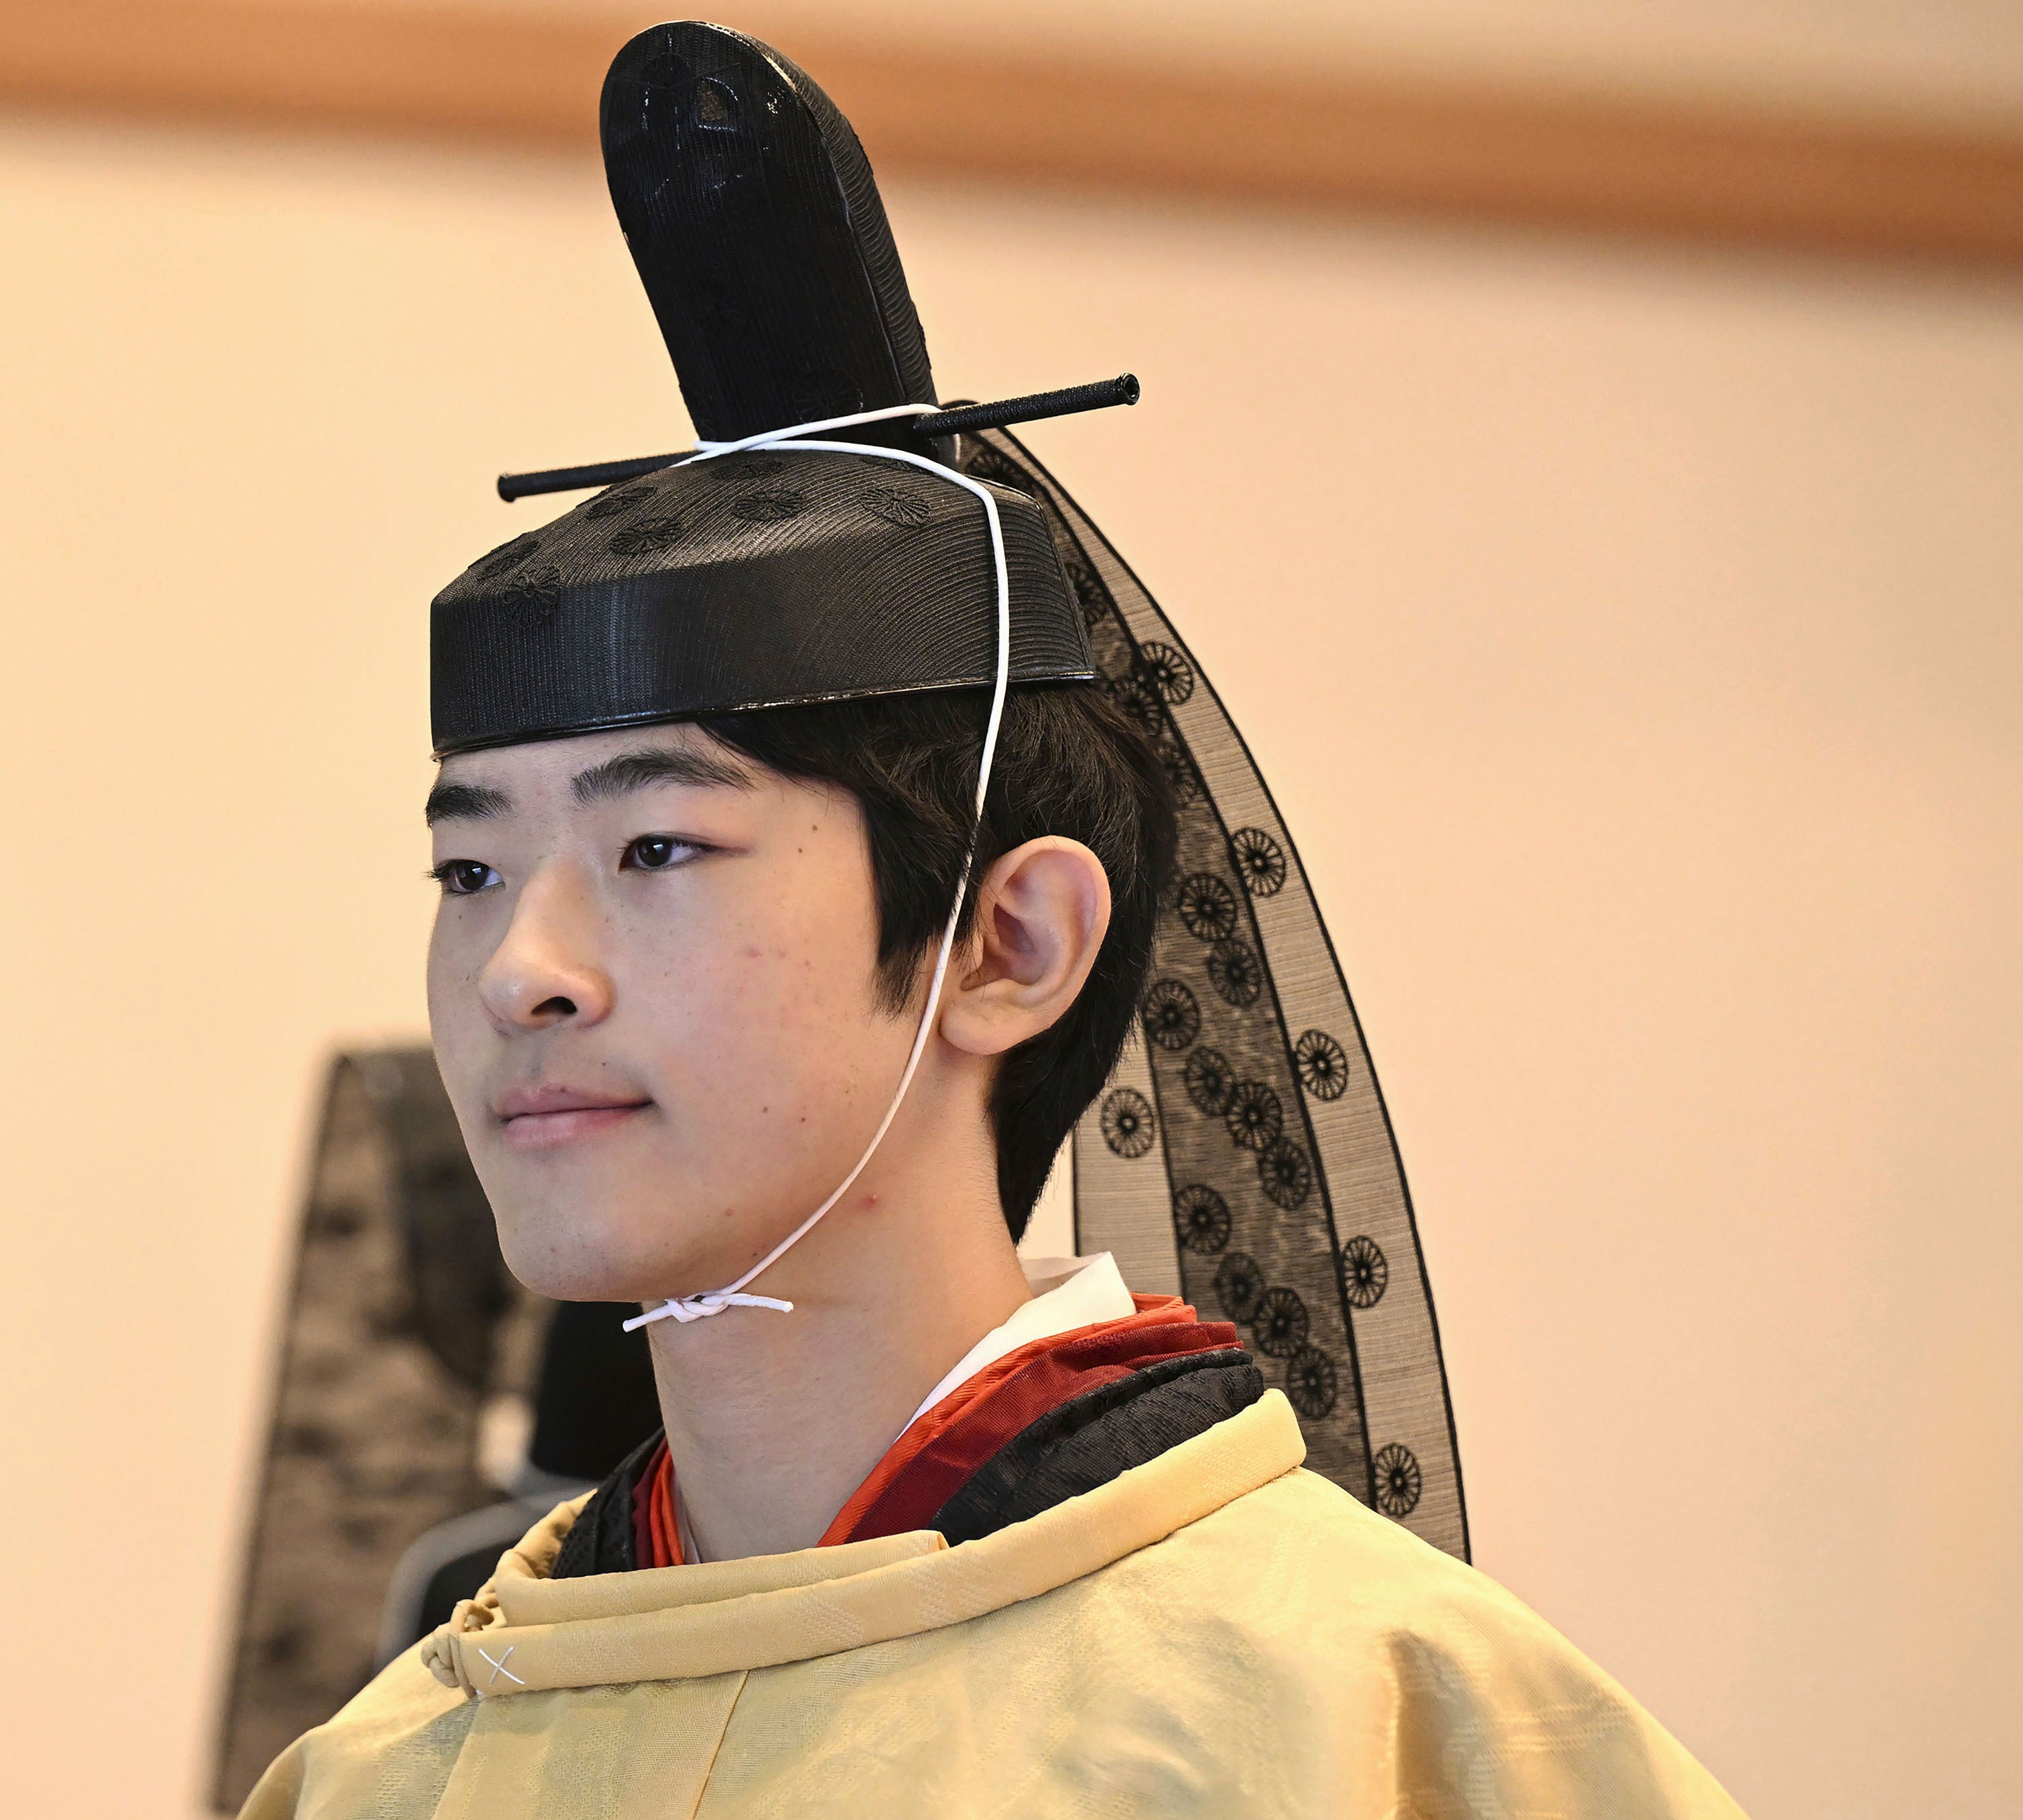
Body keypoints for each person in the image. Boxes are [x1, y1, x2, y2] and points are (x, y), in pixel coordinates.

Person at [240, 20, 1745, 1817]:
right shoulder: (396, 1761)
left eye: (656, 851)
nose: (518, 969)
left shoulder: (1374, 1720)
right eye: (469, 869)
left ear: (1006, 940)